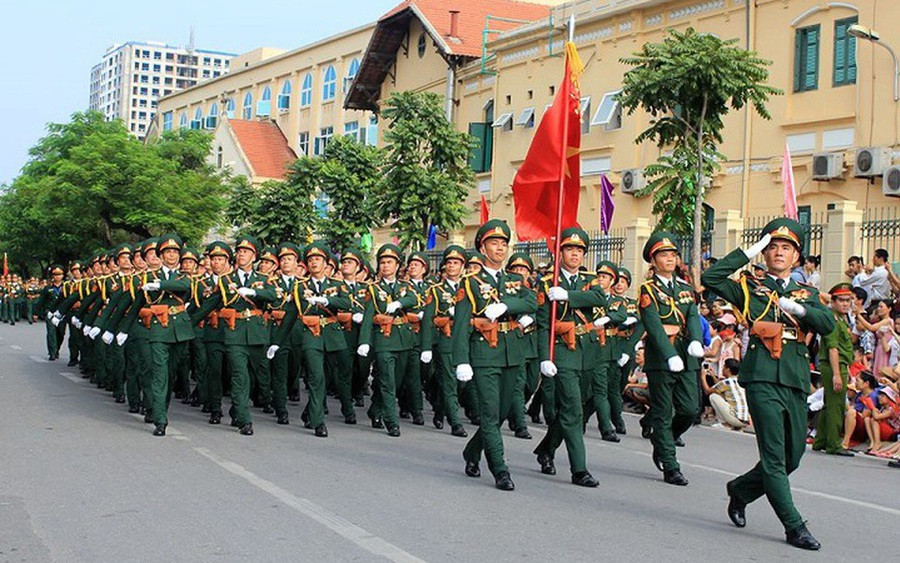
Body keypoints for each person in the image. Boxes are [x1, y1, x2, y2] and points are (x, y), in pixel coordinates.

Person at [701, 218, 835, 551]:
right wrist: (748, 252)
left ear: (797, 257)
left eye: (785, 248)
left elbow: (828, 324)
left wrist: (799, 308)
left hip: (794, 378)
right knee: (775, 457)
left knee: (793, 457)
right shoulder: (750, 286)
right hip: (761, 375)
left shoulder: (809, 293)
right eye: (772, 246)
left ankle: (742, 490)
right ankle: (794, 526)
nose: (778, 252)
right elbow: (711, 278)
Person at [451, 219, 536, 490]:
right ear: (482, 247)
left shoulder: (514, 280)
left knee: (500, 414)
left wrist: (505, 306)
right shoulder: (471, 283)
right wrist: (462, 360)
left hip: (512, 352)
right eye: (494, 243)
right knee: (489, 413)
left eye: (503, 243)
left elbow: (532, 302)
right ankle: (500, 470)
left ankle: (472, 452)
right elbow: (461, 324)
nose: (499, 248)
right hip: (485, 352)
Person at [532, 227, 605, 487]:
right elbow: (543, 325)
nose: (574, 254)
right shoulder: (546, 283)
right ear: (560, 252)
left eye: (579, 250)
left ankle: (545, 450)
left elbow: (600, 299)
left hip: (588, 350)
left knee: (574, 410)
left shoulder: (591, 279)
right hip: (562, 351)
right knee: (573, 410)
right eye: (569, 249)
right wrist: (545, 357)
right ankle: (579, 469)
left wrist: (568, 296)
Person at [639, 232, 705, 486]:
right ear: (653, 261)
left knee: (690, 409)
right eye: (663, 255)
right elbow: (654, 325)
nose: (668, 259)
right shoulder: (648, 290)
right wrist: (668, 355)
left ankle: (662, 439)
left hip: (686, 356)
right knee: (664, 412)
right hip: (661, 358)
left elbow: (692, 317)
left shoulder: (686, 289)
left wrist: (697, 341)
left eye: (672, 255)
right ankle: (670, 464)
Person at [269, 242, 353, 437]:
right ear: (306, 264)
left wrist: (326, 300)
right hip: (311, 335)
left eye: (318, 259)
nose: (314, 263)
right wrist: (277, 341)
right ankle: (318, 423)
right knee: (316, 377)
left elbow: (346, 302)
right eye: (311, 260)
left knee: (329, 376)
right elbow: (290, 314)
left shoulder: (336, 284)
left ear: (326, 263)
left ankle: (309, 412)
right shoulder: (300, 286)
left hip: (332, 335)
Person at [357, 244, 420, 437]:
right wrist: (364, 341)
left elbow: (413, 299)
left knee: (398, 381)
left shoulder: (405, 286)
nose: (385, 266)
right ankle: (392, 422)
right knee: (387, 382)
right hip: (383, 338)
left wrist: (399, 303)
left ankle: (375, 409)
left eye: (389, 262)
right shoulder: (373, 289)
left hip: (403, 338)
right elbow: (368, 316)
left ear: (398, 265)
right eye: (382, 262)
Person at [421, 245, 469, 438]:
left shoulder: (470, 287)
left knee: (461, 383)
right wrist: (426, 347)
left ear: (462, 266)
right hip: (446, 340)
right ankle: (456, 423)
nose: (451, 266)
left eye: (456, 263)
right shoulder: (436, 290)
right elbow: (427, 319)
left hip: (466, 340)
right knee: (449, 381)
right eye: (448, 262)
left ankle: (440, 407)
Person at [811, 283, 855, 456]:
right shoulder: (832, 319)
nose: (845, 304)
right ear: (833, 301)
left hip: (838, 365)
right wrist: (837, 374)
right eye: (841, 300)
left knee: (829, 403)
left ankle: (820, 440)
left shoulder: (841, 318)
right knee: (836, 405)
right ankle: (834, 444)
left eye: (848, 300)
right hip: (834, 365)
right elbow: (833, 348)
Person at [702, 358, 749, 430]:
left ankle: (725, 424)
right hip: (744, 420)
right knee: (721, 395)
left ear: (728, 370)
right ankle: (733, 425)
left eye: (724, 366)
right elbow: (720, 386)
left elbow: (707, 391)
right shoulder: (738, 381)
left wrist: (702, 377)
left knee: (713, 396)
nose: (722, 368)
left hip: (735, 419)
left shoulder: (726, 382)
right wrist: (713, 376)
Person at [35, 265, 67, 360]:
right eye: (55, 274)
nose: (57, 276)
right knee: (51, 332)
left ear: (63, 275)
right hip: (50, 312)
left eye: (59, 274)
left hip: (62, 313)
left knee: (61, 333)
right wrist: (36, 313)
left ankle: (57, 349)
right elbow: (41, 301)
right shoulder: (48, 288)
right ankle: (52, 352)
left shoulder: (67, 286)